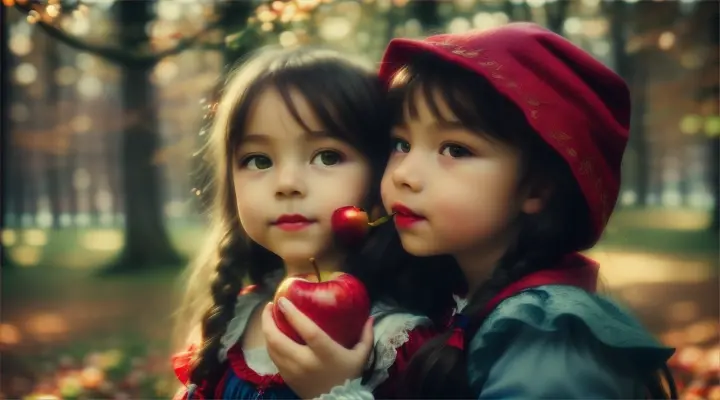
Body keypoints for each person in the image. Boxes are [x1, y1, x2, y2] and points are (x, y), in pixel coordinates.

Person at [370, 23, 677, 398]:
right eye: (401, 143)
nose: (404, 174)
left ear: (537, 188)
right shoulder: (452, 299)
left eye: (455, 149)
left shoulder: (548, 336)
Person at [170, 46, 453, 400]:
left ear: (380, 171)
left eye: (327, 156)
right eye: (258, 160)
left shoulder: (396, 341)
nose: (287, 183)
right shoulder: (231, 323)